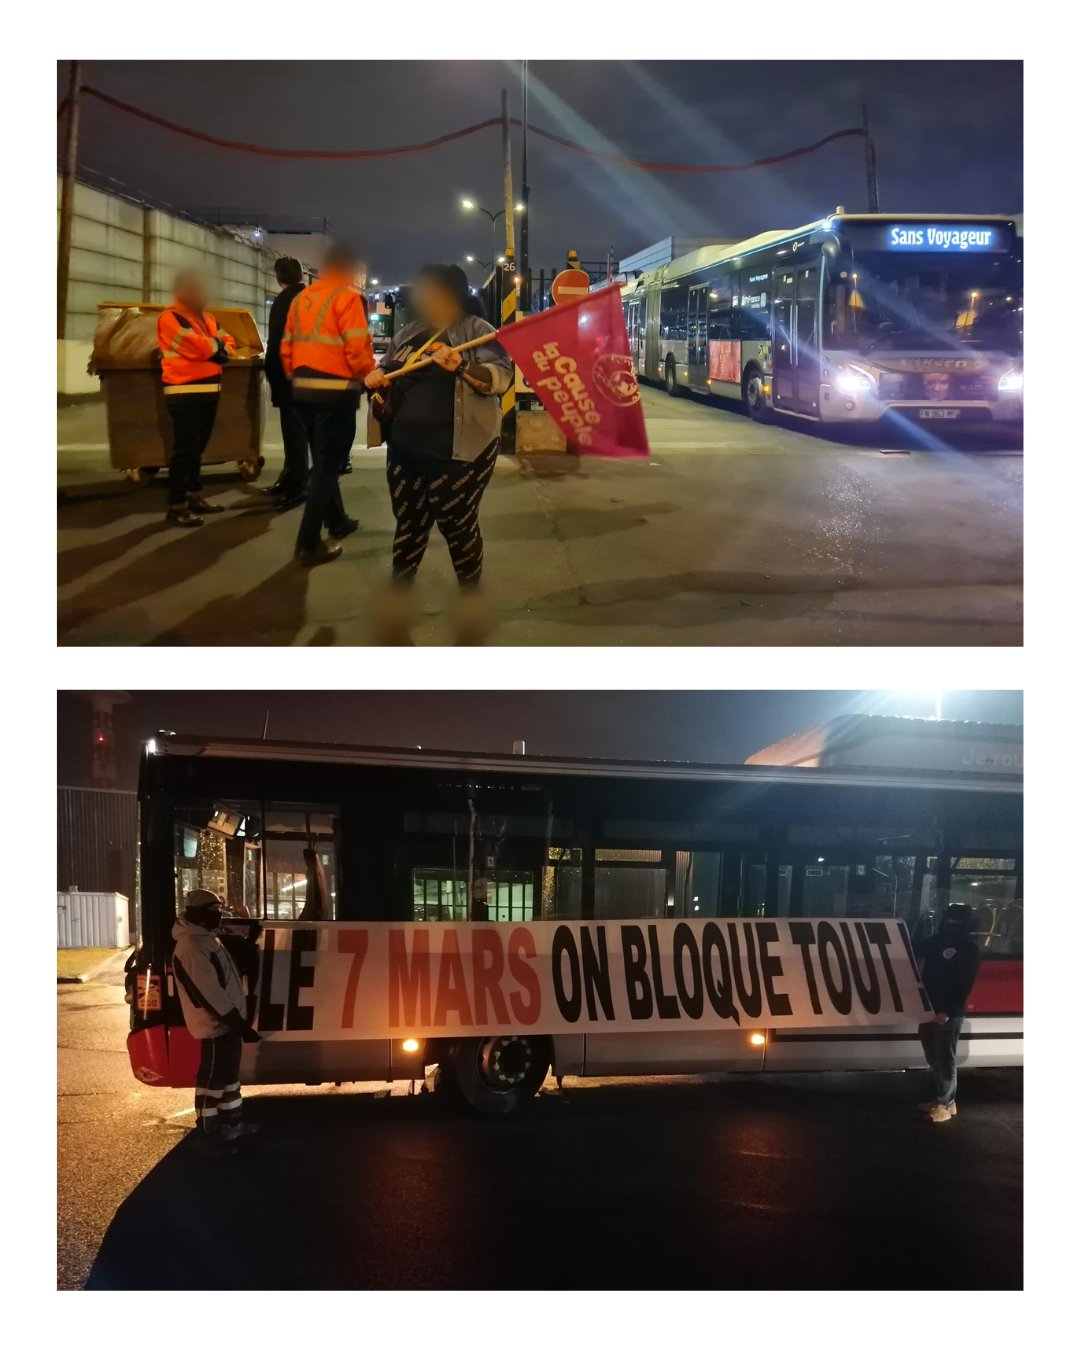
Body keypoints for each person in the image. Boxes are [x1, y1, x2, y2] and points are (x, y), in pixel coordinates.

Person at [365, 263, 512, 639]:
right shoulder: (407, 334)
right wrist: (376, 380)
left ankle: (471, 603)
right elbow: (386, 379)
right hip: (405, 452)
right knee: (409, 527)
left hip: (462, 453)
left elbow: (500, 378)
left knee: (457, 528)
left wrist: (461, 366)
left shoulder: (478, 333)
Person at [280, 241, 375, 566]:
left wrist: (298, 378)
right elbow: (357, 348)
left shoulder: (302, 297)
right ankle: (307, 543)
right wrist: (370, 375)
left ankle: (337, 521)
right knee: (326, 466)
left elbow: (286, 347)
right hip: (336, 392)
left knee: (323, 461)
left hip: (304, 391)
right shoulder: (349, 298)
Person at [171, 889, 261, 1154]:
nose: (219, 917)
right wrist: (240, 1025)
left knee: (229, 1078)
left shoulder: (206, 939)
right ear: (197, 914)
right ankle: (209, 1133)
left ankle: (233, 1124)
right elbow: (211, 993)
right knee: (211, 1082)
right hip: (215, 1026)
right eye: (214, 912)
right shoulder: (192, 946)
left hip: (227, 1025)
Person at [157, 272, 237, 528]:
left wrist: (216, 347)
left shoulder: (208, 318)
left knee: (197, 449)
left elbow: (230, 342)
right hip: (184, 391)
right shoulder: (170, 318)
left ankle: (193, 495)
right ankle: (176, 505)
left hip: (209, 390)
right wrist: (216, 347)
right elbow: (198, 347)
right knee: (185, 450)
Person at [915, 902, 981, 1124]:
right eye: (948, 919)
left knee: (945, 1060)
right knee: (933, 1057)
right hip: (929, 1010)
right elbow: (914, 946)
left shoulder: (968, 948)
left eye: (954, 920)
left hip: (947, 1013)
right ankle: (942, 1100)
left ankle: (945, 1104)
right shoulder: (938, 941)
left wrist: (948, 1010)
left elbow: (964, 983)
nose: (949, 924)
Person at [262, 256, 309, 511]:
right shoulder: (305, 297)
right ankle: (289, 478)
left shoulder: (286, 300)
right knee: (295, 433)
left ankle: (297, 486)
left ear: (278, 277)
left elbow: (281, 343)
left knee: (295, 434)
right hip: (298, 375)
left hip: (289, 376)